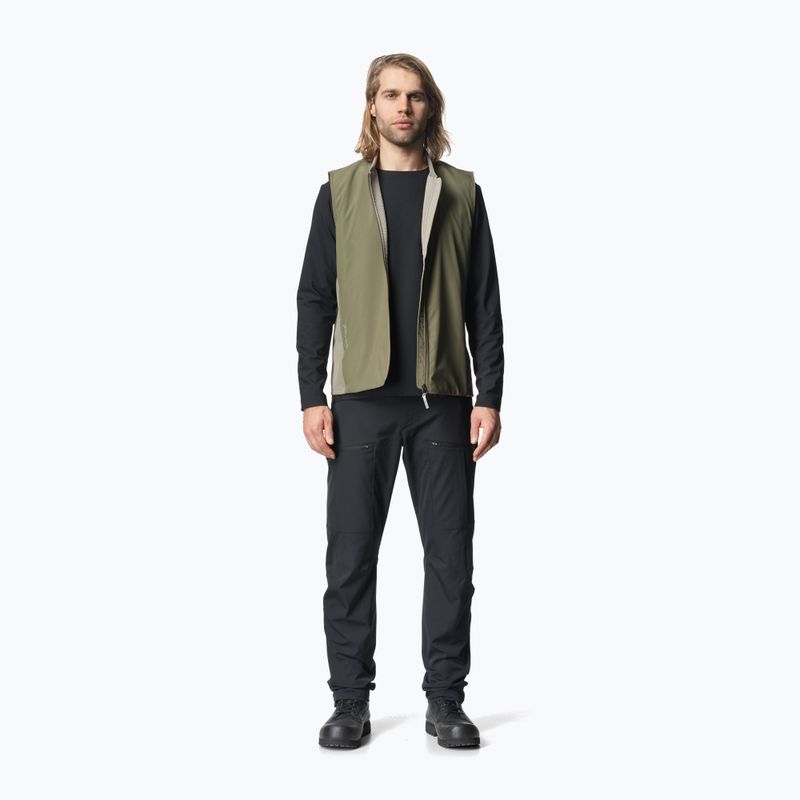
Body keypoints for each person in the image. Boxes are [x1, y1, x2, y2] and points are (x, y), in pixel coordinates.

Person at [296, 53, 504, 750]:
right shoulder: (338, 192)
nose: (403, 107)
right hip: (359, 400)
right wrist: (311, 396)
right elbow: (315, 297)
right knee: (350, 558)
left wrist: (489, 395)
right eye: (390, 95)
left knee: (450, 558)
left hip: (442, 400)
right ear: (372, 106)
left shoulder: (463, 193)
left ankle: (446, 700)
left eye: (414, 96)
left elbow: (483, 302)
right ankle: (349, 702)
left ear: (429, 107)